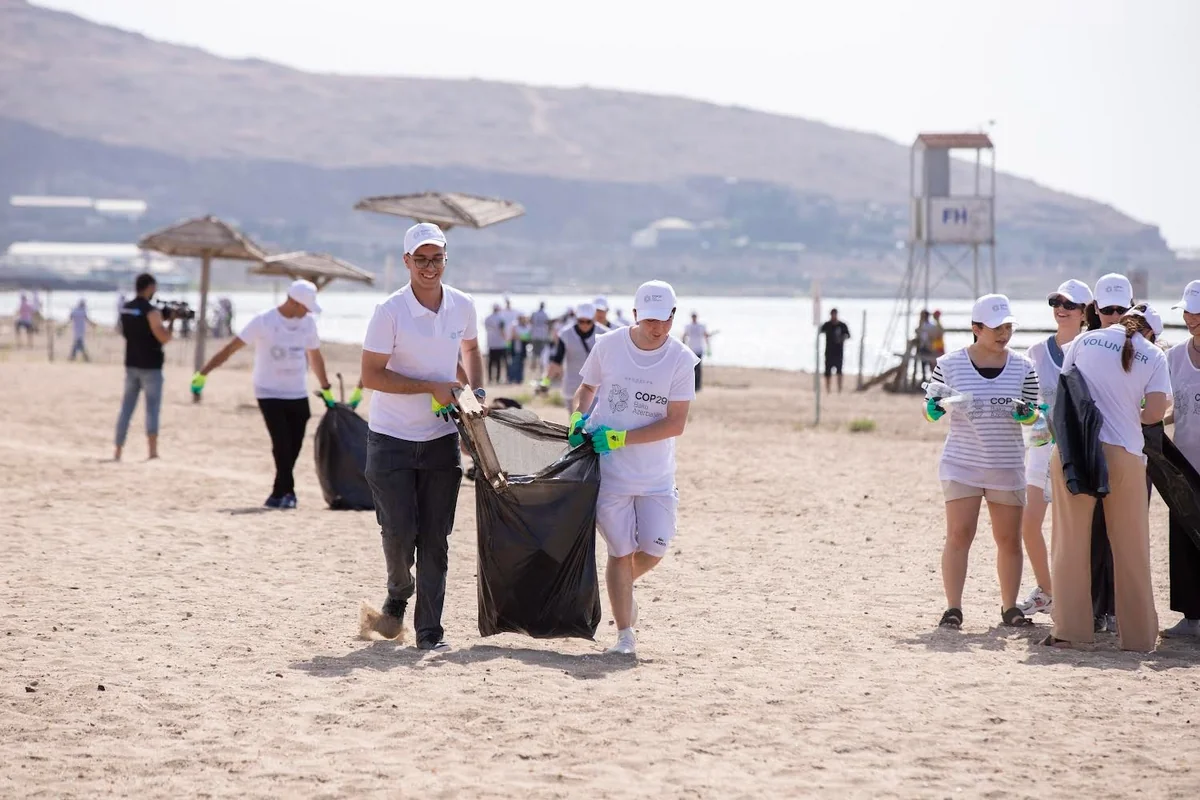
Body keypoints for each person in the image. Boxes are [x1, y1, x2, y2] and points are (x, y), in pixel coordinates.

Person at [360, 222, 486, 652]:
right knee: (398, 533)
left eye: (436, 259)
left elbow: (471, 350)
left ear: (446, 258)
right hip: (389, 439)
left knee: (435, 539)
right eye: (421, 259)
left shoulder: (463, 305)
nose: (429, 267)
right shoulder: (389, 311)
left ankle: (430, 632)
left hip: (440, 439)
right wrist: (430, 387)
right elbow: (370, 375)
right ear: (406, 261)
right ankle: (399, 592)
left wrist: (476, 394)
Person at [570, 279, 698, 656]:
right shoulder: (609, 345)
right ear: (636, 314)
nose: (657, 328)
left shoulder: (681, 359)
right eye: (650, 319)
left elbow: (676, 423)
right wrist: (577, 417)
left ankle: (620, 590)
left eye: (665, 319)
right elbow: (587, 389)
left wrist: (621, 437)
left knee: (654, 549)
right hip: (610, 473)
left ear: (673, 315)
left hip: (656, 475)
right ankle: (625, 635)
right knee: (620, 552)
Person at [1043, 306, 1170, 652]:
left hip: (1075, 450)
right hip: (1124, 452)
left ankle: (1070, 631)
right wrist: (1130, 410)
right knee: (1131, 548)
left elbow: (1067, 392)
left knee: (1069, 542)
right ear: (1150, 333)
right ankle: (1139, 638)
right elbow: (1154, 413)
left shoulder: (1085, 341)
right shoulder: (1154, 355)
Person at [925, 294, 1041, 630]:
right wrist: (933, 409)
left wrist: (1029, 415)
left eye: (1008, 327)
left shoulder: (1023, 366)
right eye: (996, 328)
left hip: (1006, 464)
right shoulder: (949, 364)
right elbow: (929, 409)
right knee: (959, 535)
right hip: (962, 462)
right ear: (976, 328)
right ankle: (953, 608)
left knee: (1008, 540)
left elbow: (1037, 416)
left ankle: (1010, 608)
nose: (1004, 334)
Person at [190, 280, 334, 509]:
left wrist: (326, 388)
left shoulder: (308, 324)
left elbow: (315, 357)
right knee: (281, 442)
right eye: (306, 307)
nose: (308, 312)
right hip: (268, 391)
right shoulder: (264, 321)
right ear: (293, 302)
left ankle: (278, 493)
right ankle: (289, 493)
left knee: (294, 445)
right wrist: (203, 373)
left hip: (297, 392)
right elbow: (231, 348)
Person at [1016, 279, 1092, 618]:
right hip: (1040, 449)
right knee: (1029, 525)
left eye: (1070, 305)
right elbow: (1029, 402)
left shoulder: (1092, 350)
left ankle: (1076, 599)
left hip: (1078, 454)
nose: (1061, 309)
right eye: (1056, 303)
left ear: (1085, 312)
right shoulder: (1035, 352)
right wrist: (1028, 416)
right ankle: (1047, 591)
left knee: (1070, 532)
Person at [1085, 272, 1136, 633]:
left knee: (1123, 537)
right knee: (1092, 536)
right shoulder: (1083, 345)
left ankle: (1117, 609)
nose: (1115, 316)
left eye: (1121, 309)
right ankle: (1094, 609)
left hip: (1130, 454)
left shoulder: (1148, 349)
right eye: (1108, 310)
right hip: (1091, 451)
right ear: (1096, 310)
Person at [1162, 280, 1200, 637]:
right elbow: (1174, 408)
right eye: (1188, 312)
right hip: (1183, 463)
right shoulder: (1173, 357)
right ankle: (1191, 618)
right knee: (1185, 540)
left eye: (1197, 312)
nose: (1191, 318)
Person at [114, 273, 174, 461]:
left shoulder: (126, 309)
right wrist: (171, 321)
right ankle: (152, 452)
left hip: (131, 363)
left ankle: (118, 450)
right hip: (151, 365)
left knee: (126, 408)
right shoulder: (151, 311)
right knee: (152, 409)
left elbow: (124, 331)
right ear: (149, 287)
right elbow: (163, 337)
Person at [548, 302, 608, 415]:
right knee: (575, 421)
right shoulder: (565, 334)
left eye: (588, 321)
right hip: (572, 385)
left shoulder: (605, 334)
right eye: (581, 321)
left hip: (596, 388)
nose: (584, 325)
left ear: (594, 319)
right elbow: (557, 360)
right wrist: (546, 381)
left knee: (591, 422)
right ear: (576, 319)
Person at [819, 309, 851, 393]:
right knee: (827, 373)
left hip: (838, 352)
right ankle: (828, 390)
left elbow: (848, 335)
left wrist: (842, 338)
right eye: (832, 314)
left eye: (835, 314)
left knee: (839, 372)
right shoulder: (827, 325)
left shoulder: (842, 325)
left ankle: (839, 389)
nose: (833, 316)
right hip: (829, 352)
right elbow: (820, 331)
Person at [681, 312, 710, 392]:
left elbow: (705, 335)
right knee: (692, 368)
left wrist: (708, 347)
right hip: (691, 350)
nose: (694, 318)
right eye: (693, 317)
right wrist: (682, 346)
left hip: (699, 349)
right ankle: (692, 385)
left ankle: (698, 386)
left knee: (698, 368)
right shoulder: (688, 326)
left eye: (695, 317)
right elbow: (684, 336)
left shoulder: (701, 326)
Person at [484, 303, 508, 385]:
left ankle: (490, 379)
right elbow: (502, 330)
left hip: (491, 343)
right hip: (500, 344)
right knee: (498, 363)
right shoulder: (501, 318)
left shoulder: (488, 318)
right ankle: (497, 379)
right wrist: (506, 339)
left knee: (490, 362)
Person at [530, 302, 552, 378]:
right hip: (543, 336)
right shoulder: (545, 314)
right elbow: (548, 324)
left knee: (534, 353)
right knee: (542, 354)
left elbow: (531, 322)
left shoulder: (534, 313)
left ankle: (533, 367)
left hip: (535, 335)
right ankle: (541, 369)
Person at [508, 314, 532, 384]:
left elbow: (529, 336)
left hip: (523, 348)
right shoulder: (515, 325)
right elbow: (514, 335)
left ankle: (519, 379)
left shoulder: (527, 327)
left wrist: (523, 337)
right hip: (516, 347)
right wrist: (522, 337)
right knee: (514, 364)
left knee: (521, 364)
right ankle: (512, 379)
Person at [916, 310, 938, 382]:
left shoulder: (930, 326)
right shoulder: (923, 325)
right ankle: (925, 380)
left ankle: (932, 381)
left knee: (931, 366)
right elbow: (918, 333)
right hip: (923, 347)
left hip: (929, 348)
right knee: (924, 366)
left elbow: (932, 336)